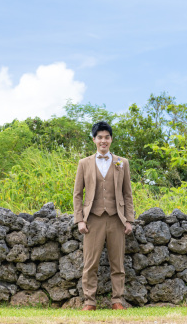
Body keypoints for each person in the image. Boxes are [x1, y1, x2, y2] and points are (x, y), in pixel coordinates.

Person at [73, 120, 135, 310]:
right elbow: (77, 194)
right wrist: (80, 220)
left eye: (107, 137)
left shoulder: (121, 162)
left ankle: (117, 300)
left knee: (118, 264)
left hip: (117, 218)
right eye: (100, 137)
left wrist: (129, 219)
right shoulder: (84, 163)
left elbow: (127, 193)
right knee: (90, 263)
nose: (103, 141)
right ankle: (89, 301)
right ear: (94, 139)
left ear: (111, 139)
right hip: (93, 219)